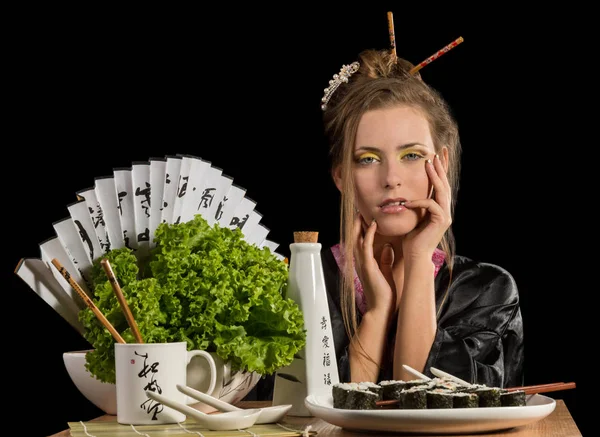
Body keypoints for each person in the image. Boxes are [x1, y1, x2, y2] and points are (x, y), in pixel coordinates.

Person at [319, 39, 524, 389]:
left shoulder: (485, 289)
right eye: (368, 159)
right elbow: (332, 414)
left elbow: (420, 399)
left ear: (440, 164)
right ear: (341, 176)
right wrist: (378, 311)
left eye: (411, 155)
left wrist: (418, 258)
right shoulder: (309, 284)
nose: (392, 179)